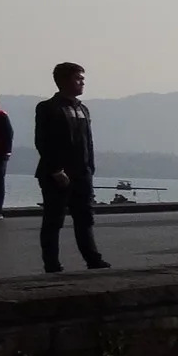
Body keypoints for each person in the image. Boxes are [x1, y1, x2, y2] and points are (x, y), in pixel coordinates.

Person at [32, 63, 107, 271]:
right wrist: (56, 169)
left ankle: (93, 259)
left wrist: (90, 168)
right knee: (53, 220)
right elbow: (42, 141)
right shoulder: (48, 108)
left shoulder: (82, 108)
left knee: (85, 218)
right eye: (78, 78)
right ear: (64, 81)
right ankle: (52, 264)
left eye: (83, 78)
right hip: (56, 174)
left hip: (82, 173)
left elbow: (88, 142)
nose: (82, 82)